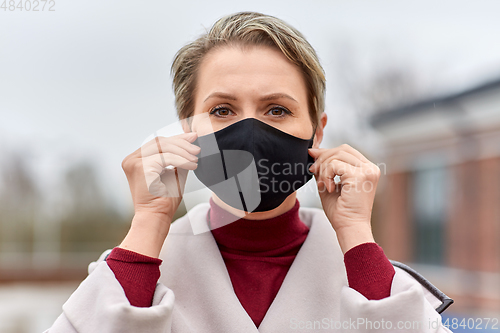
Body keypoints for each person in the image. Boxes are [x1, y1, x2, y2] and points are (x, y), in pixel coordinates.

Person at [46, 11, 453, 332]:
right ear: (188, 131)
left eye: (278, 109)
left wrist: (357, 235)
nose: (251, 132)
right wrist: (149, 223)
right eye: (222, 110)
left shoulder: (367, 272)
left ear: (318, 130)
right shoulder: (135, 269)